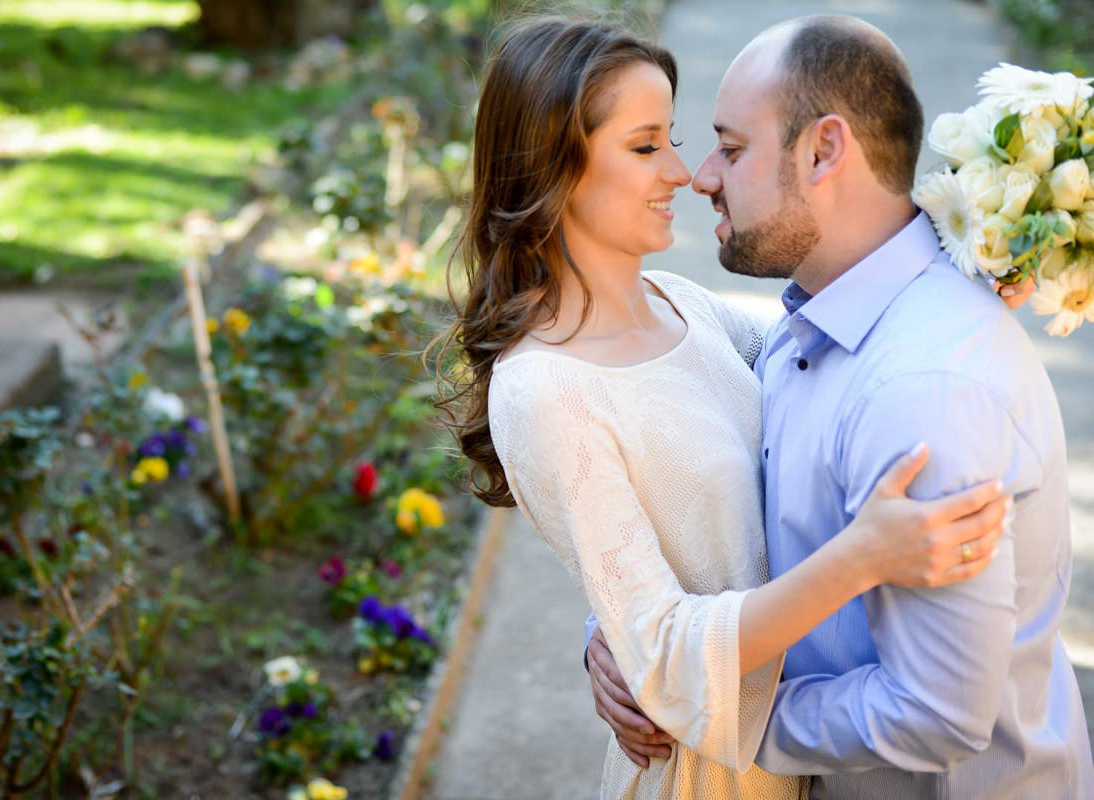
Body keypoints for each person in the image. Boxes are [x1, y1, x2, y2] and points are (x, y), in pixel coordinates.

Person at [434, 15, 1013, 800]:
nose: (683, 171)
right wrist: (867, 556)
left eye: (673, 137)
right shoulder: (544, 387)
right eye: (645, 147)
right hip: (715, 776)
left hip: (810, 735)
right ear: (552, 168)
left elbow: (845, 335)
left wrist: (966, 263)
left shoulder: (680, 304)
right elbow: (665, 648)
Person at [586, 14, 1094, 799]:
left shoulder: (922, 396)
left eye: (732, 146)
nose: (703, 176)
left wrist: (709, 709)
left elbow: (934, 713)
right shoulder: (811, 320)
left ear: (824, 149)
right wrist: (623, 640)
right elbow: (694, 471)